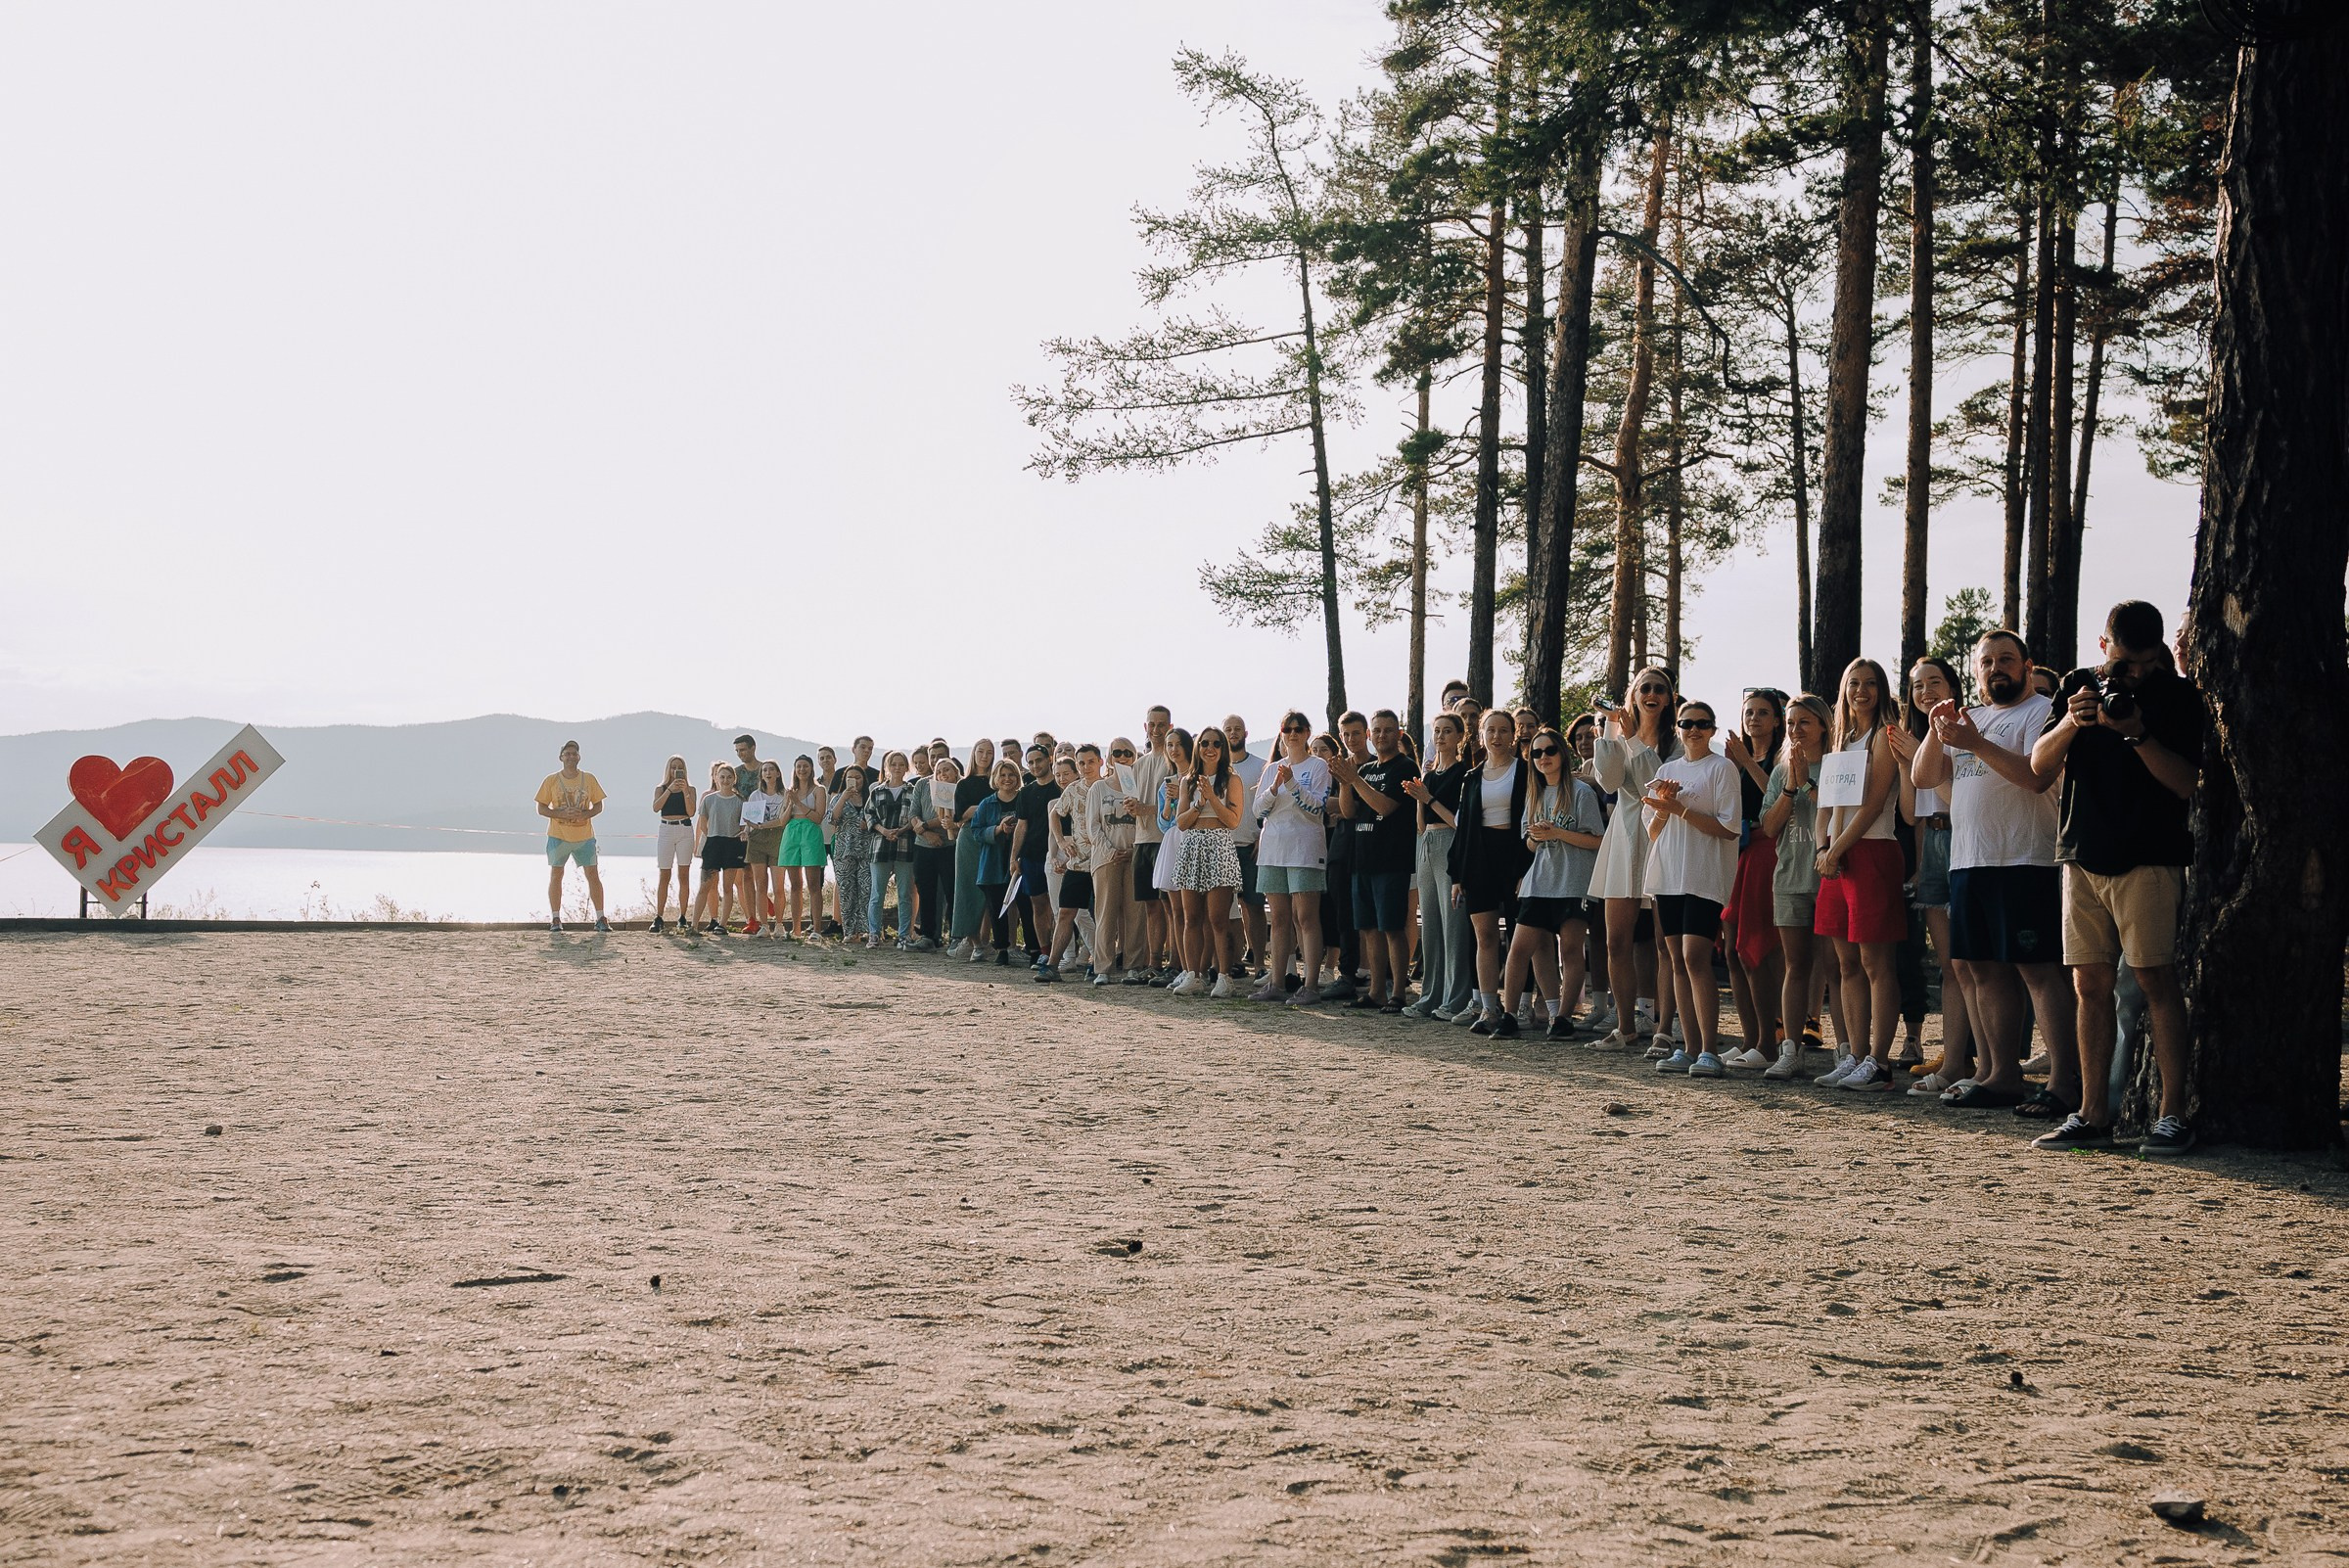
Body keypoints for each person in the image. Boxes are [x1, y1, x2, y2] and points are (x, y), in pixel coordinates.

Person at [2025, 600, 2204, 1156]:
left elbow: (2185, 784)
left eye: (2149, 663)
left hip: (2149, 858)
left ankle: (2173, 1116)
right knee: (2088, 986)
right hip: (2081, 855)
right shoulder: (2078, 685)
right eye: (2126, 663)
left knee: (2156, 980)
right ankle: (2092, 1114)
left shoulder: (2178, 697)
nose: (2137, 674)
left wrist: (2136, 733)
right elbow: (2038, 765)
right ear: (2104, 647)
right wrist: (2073, 724)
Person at [1911, 630, 2080, 1114]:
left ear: (2028, 667)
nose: (1996, 669)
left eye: (2007, 660)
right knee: (1982, 971)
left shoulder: (2043, 711)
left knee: (2038, 971)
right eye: (1987, 662)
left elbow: (2034, 776)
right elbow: (1925, 777)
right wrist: (1934, 727)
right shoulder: (1972, 718)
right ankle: (2002, 1075)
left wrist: (1974, 742)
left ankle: (2065, 1084)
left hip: (2025, 860)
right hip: (1969, 861)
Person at [1811, 659, 1909, 1091]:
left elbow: (1871, 806)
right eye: (1855, 683)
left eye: (1871, 684)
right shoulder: (1840, 741)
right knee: (1845, 963)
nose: (1862, 691)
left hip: (1871, 851)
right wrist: (1822, 847)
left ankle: (1880, 1062)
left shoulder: (1883, 739)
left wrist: (1839, 849)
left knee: (1875, 963)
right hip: (1835, 856)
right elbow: (1824, 809)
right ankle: (1853, 1054)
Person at [1642, 701, 1744, 1075]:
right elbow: (1652, 831)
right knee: (1676, 961)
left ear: (1713, 730)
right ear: (1678, 728)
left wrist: (1682, 809)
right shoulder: (1666, 770)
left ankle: (1709, 1052)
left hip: (1704, 875)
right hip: (1668, 875)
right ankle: (1688, 1047)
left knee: (1695, 957)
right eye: (1687, 723)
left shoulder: (1722, 768)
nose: (1694, 730)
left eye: (1702, 724)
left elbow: (1730, 827)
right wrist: (1665, 808)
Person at [1589, 669, 1679, 1050]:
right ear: (1634, 695)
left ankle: (1663, 1029)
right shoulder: (1617, 732)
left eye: (1660, 688)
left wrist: (1631, 738)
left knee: (1665, 944)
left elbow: (1655, 784)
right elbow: (1608, 781)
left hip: (1663, 838)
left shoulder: (1676, 742)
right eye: (1645, 687)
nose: (1653, 693)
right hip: (1625, 840)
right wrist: (1612, 731)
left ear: (1669, 698)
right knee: (1615, 941)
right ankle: (1625, 1026)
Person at [1901, 657, 1975, 1097]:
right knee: (1950, 965)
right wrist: (1912, 758)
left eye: (1935, 682)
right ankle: (1954, 1059)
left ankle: (1975, 1061)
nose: (1925, 691)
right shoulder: (1917, 736)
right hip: (1932, 842)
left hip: (1966, 838)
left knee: (1971, 964)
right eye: (1916, 686)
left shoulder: (1966, 729)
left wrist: (1921, 757)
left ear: (1953, 685)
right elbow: (1912, 812)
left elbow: (1960, 797)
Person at [1500, 725, 1604, 1039]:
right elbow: (1529, 844)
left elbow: (1597, 841)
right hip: (1539, 881)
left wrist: (1557, 833)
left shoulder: (1581, 792)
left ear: (1562, 753)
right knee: (1520, 950)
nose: (1543, 758)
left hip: (1573, 882)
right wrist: (1536, 836)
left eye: (1549, 751)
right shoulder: (1533, 793)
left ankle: (1562, 1020)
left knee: (1571, 950)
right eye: (1536, 753)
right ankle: (1508, 1015)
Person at [1760, 695, 1834, 1079]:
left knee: (1837, 966)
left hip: (1830, 876)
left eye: (1804, 722)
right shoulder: (1779, 771)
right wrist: (1790, 787)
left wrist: (1807, 784)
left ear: (1823, 724)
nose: (1795, 730)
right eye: (1790, 723)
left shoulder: (1837, 764)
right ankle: (1790, 1050)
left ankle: (1849, 1051)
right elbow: (1770, 828)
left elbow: (1838, 814)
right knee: (1796, 965)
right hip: (1789, 879)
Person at [1329, 709, 1420, 1013]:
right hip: (1362, 860)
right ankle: (1376, 991)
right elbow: (1349, 812)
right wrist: (1345, 783)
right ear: (1371, 735)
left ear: (1398, 733)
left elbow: (1385, 805)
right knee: (1368, 928)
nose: (1382, 735)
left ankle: (1398, 993)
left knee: (1392, 928)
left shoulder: (1404, 767)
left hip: (1391, 859)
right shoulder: (1365, 771)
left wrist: (1355, 780)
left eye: (1388, 730)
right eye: (1377, 730)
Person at [1449, 708, 1530, 1034]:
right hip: (1479, 861)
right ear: (1480, 736)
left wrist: (1527, 867)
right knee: (1484, 938)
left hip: (1516, 859)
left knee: (1519, 937)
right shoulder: (1471, 777)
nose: (1497, 737)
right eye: (1490, 730)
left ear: (1513, 735)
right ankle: (1488, 1008)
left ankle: (1520, 1007)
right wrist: (1458, 875)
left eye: (1503, 730)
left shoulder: (1526, 771)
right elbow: (1464, 828)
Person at [1718, 691, 1786, 1061]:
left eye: (1763, 713)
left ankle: (1768, 1042)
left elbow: (1777, 800)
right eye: (1749, 712)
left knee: (1757, 947)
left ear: (1777, 720)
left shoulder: (1784, 756)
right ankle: (1749, 1039)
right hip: (1734, 852)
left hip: (1766, 850)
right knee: (1731, 948)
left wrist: (1747, 762)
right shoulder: (1733, 760)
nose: (1755, 719)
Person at [1250, 711, 1331, 1004]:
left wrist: (1293, 784)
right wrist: (1275, 786)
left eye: (1299, 729)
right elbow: (1258, 811)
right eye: (1288, 729)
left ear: (1308, 733)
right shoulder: (1272, 769)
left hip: (1305, 849)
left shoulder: (1318, 766)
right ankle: (1277, 982)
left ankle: (1310, 985)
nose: (1293, 734)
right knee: (1281, 918)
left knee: (1306, 917)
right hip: (1273, 849)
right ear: (1282, 733)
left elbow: (1317, 806)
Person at [1403, 711, 1471, 1019]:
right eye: (1437, 731)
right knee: (1429, 923)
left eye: (1447, 731)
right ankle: (1430, 995)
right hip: (1426, 843)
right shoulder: (1429, 774)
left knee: (1452, 924)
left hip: (1450, 843)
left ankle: (1455, 998)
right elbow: (1421, 824)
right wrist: (1420, 797)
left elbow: (1460, 821)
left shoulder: (1465, 774)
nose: (1441, 736)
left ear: (1460, 737)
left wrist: (1428, 798)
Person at [1172, 724, 1246, 996]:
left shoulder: (1232, 780)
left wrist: (1213, 797)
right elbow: (1181, 822)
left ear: (1222, 748)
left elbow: (1233, 821)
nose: (1210, 749)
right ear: (1198, 748)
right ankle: (1193, 975)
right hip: (1192, 846)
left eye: (1216, 744)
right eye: (1204, 743)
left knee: (1217, 918)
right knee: (1191, 917)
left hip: (1219, 847)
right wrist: (1198, 804)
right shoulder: (1187, 781)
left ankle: (1224, 976)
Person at [535, 740, 608, 934]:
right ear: (560, 757)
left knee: (593, 874)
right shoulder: (551, 780)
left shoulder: (589, 779)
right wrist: (560, 814)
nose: (570, 757)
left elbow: (599, 805)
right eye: (567, 754)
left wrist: (585, 814)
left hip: (584, 836)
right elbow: (541, 808)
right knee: (557, 874)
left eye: (574, 753)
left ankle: (600, 917)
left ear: (579, 757)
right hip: (558, 835)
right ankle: (556, 918)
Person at [1088, 738, 1143, 985]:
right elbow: (1093, 826)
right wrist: (1110, 851)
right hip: (1106, 859)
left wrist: (1133, 851)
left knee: (1135, 914)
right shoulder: (1098, 789)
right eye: (1117, 753)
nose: (1122, 757)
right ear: (1109, 758)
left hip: (1134, 857)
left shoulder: (1140, 787)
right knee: (1106, 914)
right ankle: (1103, 967)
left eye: (1128, 753)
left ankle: (1133, 965)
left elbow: (1146, 822)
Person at [1039, 754, 1095, 982]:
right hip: (1077, 861)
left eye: (1090, 761)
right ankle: (1053, 964)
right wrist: (1061, 843)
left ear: (1101, 762)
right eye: (1081, 762)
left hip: (1104, 859)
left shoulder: (1108, 786)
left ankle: (1101, 963)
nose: (1085, 766)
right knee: (1065, 912)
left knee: (1100, 914)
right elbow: (1055, 815)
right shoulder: (1073, 790)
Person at [1129, 706, 1175, 979]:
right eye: (1152, 725)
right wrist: (1132, 806)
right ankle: (1154, 963)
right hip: (1141, 841)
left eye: (1161, 725)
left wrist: (1145, 809)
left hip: (1164, 840)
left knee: (1169, 906)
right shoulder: (1138, 764)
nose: (1156, 730)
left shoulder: (1174, 762)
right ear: (1145, 727)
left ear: (1169, 726)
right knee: (1150, 905)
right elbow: (1133, 801)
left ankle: (1174, 962)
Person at [1223, 714, 1269, 976]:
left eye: (1237, 729)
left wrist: (1262, 836)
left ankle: (1261, 964)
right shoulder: (1217, 769)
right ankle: (1232, 962)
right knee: (1226, 910)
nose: (1233, 733)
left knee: (1253, 905)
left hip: (1250, 846)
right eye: (1228, 729)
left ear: (1246, 733)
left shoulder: (1261, 767)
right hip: (1223, 848)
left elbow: (1268, 806)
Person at [968, 759, 1024, 965]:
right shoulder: (987, 803)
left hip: (1020, 858)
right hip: (993, 861)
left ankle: (1031, 947)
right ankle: (1001, 949)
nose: (1007, 779)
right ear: (995, 779)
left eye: (1011, 775)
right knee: (996, 906)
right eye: (1003, 775)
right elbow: (976, 831)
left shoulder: (1023, 799)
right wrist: (999, 829)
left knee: (1025, 905)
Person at [1009, 744, 1060, 967]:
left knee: (1060, 906)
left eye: (1038, 760)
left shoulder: (1061, 788)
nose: (1035, 766)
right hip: (1032, 856)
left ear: (1049, 759)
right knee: (1038, 905)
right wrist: (1014, 857)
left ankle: (1063, 952)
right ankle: (1045, 951)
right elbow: (1021, 826)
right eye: (1030, 762)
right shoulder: (1026, 792)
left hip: (1058, 854)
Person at [1150, 728, 1195, 978]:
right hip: (1173, 841)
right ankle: (1178, 964)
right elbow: (1163, 823)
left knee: (1195, 911)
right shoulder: (1166, 784)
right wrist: (1169, 800)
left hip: (1194, 840)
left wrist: (1184, 795)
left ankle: (1196, 965)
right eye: (1169, 745)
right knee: (1176, 910)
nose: (1174, 749)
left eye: (1178, 744)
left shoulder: (1197, 778)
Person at [866, 751, 919, 950]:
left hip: (905, 846)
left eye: (901, 764)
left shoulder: (913, 791)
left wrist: (902, 830)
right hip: (880, 847)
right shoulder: (877, 791)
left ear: (907, 768)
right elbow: (870, 815)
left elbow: (916, 814)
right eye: (893, 764)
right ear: (887, 767)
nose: (897, 768)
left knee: (905, 894)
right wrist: (884, 831)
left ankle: (904, 934)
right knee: (877, 894)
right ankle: (874, 933)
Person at [948, 738, 997, 955]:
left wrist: (976, 809)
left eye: (989, 752)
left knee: (991, 890)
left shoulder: (997, 782)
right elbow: (961, 815)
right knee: (967, 889)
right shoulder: (964, 784)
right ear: (974, 754)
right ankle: (973, 941)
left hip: (994, 837)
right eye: (981, 751)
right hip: (969, 839)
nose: (984, 756)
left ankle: (987, 941)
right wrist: (985, 807)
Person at [910, 755, 960, 949]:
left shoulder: (959, 788)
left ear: (956, 772)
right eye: (939, 771)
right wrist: (925, 832)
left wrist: (923, 825)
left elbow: (951, 816)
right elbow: (913, 813)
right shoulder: (923, 785)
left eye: (947, 770)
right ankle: (928, 936)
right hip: (924, 846)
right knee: (926, 891)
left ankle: (956, 936)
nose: (942, 774)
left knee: (952, 891)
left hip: (949, 845)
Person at [778, 756, 829, 939]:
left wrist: (799, 803)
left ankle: (816, 929)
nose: (802, 770)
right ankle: (796, 928)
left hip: (810, 833)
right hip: (791, 833)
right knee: (794, 885)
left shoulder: (819, 790)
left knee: (813, 884)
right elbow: (782, 822)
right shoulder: (789, 791)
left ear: (811, 768)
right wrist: (791, 802)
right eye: (798, 766)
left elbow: (818, 817)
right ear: (794, 769)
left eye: (805, 766)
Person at [692, 761, 747, 933]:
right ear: (716, 778)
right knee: (705, 885)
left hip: (732, 844)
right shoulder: (709, 799)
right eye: (722, 777)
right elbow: (703, 823)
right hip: (713, 843)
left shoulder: (740, 800)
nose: (725, 780)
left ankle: (723, 924)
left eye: (729, 777)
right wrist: (711, 835)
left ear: (734, 779)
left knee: (728, 887)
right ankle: (694, 925)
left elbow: (743, 824)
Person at [741, 760, 789, 937]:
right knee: (760, 885)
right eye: (765, 770)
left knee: (778, 887)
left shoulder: (785, 794)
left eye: (771, 770)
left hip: (778, 837)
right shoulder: (755, 795)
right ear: (761, 775)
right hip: (757, 840)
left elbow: (785, 818)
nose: (768, 773)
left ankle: (779, 924)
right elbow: (749, 820)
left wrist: (763, 826)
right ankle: (764, 925)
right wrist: (745, 831)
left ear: (778, 773)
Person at [828, 765, 876, 941]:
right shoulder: (839, 798)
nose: (855, 781)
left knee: (866, 890)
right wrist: (844, 797)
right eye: (851, 777)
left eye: (858, 777)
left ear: (864, 780)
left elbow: (877, 819)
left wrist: (868, 824)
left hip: (866, 850)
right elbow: (831, 819)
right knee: (846, 891)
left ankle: (866, 929)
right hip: (844, 851)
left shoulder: (870, 798)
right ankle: (849, 931)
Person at [649, 755, 696, 934]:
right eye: (673, 767)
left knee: (683, 875)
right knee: (664, 874)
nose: (676, 771)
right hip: (666, 830)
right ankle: (659, 917)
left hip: (684, 829)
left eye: (680, 767)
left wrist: (684, 791)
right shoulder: (660, 788)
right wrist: (669, 789)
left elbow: (691, 811)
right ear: (668, 769)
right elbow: (656, 807)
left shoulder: (690, 789)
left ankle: (682, 917)